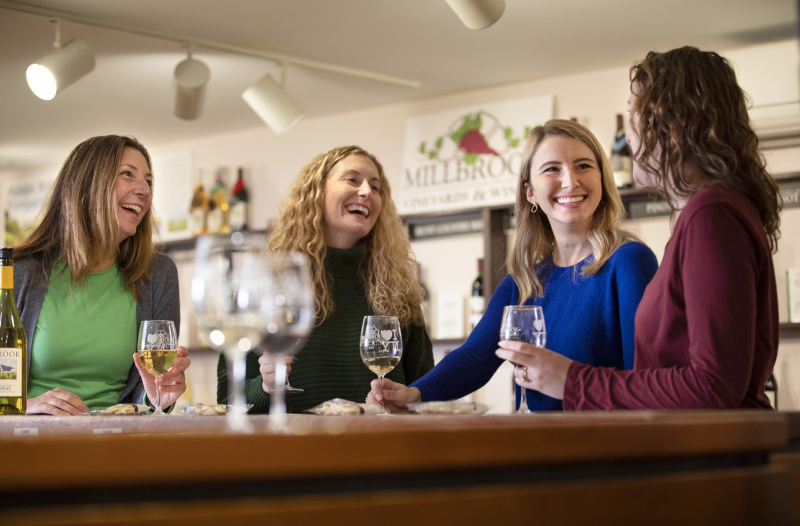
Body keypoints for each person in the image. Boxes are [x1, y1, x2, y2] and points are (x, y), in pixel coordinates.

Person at [495, 46, 781, 410]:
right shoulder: (716, 210)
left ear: (672, 120)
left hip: (706, 456)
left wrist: (573, 380)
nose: (628, 136)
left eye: (633, 112)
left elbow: (714, 385)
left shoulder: (711, 214)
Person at [369, 119, 659, 412]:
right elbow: (475, 357)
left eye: (583, 166)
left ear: (602, 179)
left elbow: (646, 382)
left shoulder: (629, 261)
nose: (571, 181)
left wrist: (571, 379)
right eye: (552, 169)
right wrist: (415, 394)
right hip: (539, 446)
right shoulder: (524, 282)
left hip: (609, 449)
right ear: (530, 192)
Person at [217, 145, 434, 413]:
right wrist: (264, 385)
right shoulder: (266, 285)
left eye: (375, 187)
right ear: (316, 192)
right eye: (352, 180)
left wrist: (406, 402)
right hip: (291, 450)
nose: (366, 191)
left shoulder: (401, 291)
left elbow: (427, 393)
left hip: (379, 449)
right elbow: (226, 402)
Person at [13, 135, 190, 415]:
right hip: (31, 440)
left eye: (149, 181)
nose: (144, 190)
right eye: (128, 175)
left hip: (115, 442)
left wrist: (158, 397)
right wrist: (24, 406)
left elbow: (150, 397)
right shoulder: (16, 271)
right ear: (87, 184)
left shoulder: (158, 273)